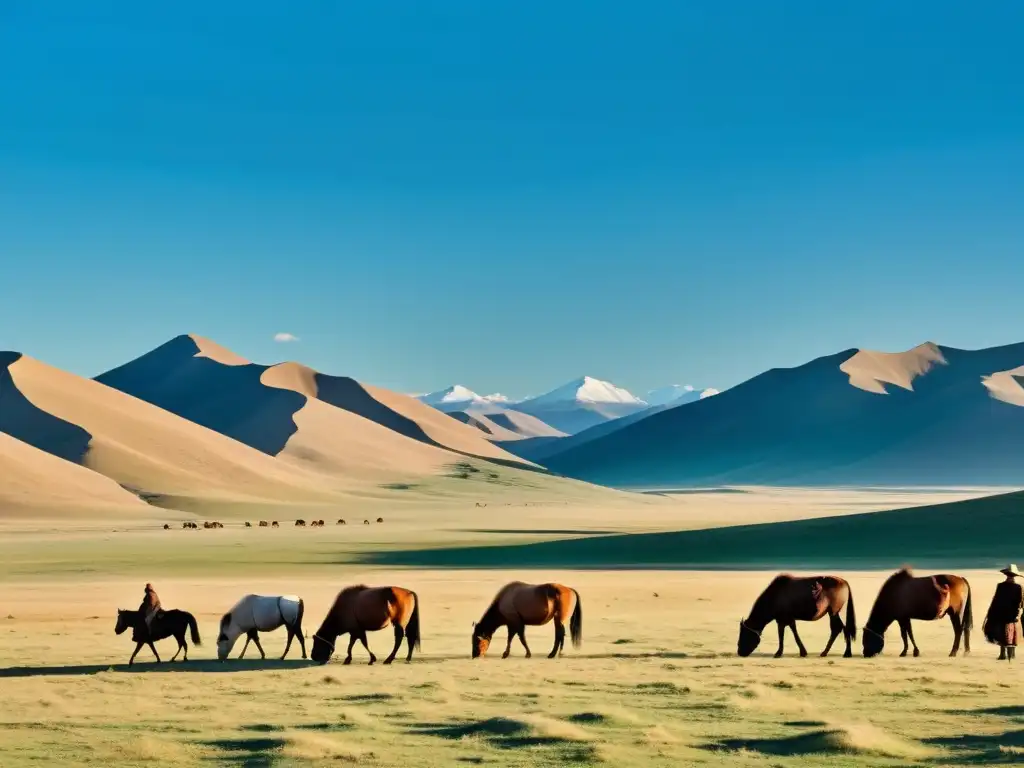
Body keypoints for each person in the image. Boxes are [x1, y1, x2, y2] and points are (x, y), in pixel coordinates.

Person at [984, 564, 1024, 661]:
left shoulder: (1001, 586)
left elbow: (996, 600)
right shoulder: (1018, 587)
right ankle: (1010, 655)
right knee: (1011, 634)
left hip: (1002, 613)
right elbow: (1020, 602)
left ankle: (1004, 655)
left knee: (1003, 634)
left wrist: (991, 613)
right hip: (1010, 614)